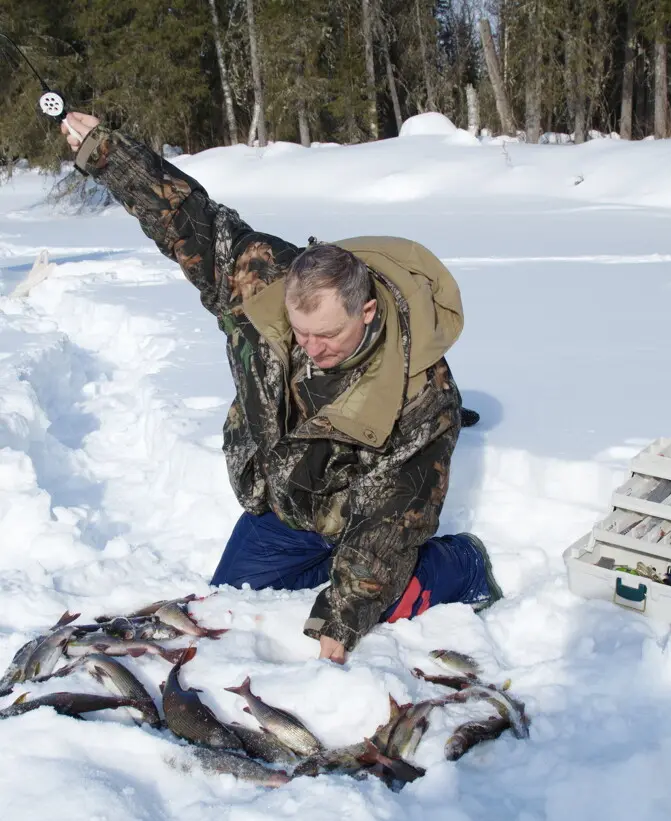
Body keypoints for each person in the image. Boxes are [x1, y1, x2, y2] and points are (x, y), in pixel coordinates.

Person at [61, 113, 502, 664]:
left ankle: (458, 565)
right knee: (228, 606)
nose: (311, 348)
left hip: (362, 515)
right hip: (288, 508)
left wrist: (342, 620)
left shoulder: (423, 393)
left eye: (328, 335)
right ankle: (322, 568)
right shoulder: (265, 281)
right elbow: (189, 220)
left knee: (363, 606)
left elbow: (392, 514)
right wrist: (106, 151)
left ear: (366, 311)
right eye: (300, 332)